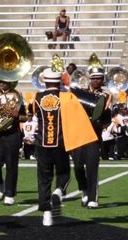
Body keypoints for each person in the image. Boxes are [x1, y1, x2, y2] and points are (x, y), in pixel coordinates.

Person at [30, 66, 97, 226]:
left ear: (45, 81)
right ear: (59, 81)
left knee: (43, 178)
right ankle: (58, 191)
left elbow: (31, 114)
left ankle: (46, 213)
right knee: (64, 173)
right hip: (61, 142)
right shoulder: (68, 97)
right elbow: (84, 113)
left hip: (42, 143)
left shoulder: (36, 97)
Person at [70, 55, 112, 208]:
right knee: (78, 166)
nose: (96, 81)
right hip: (78, 134)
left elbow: (108, 118)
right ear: (89, 79)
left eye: (99, 78)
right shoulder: (79, 93)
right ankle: (84, 189)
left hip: (94, 135)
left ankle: (93, 198)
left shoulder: (106, 96)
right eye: (94, 78)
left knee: (92, 167)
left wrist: (101, 123)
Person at [0, 79, 27, 206]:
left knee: (11, 165)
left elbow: (26, 117)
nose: (1, 84)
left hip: (13, 134)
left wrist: (16, 115)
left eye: (4, 82)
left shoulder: (18, 96)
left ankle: (10, 194)